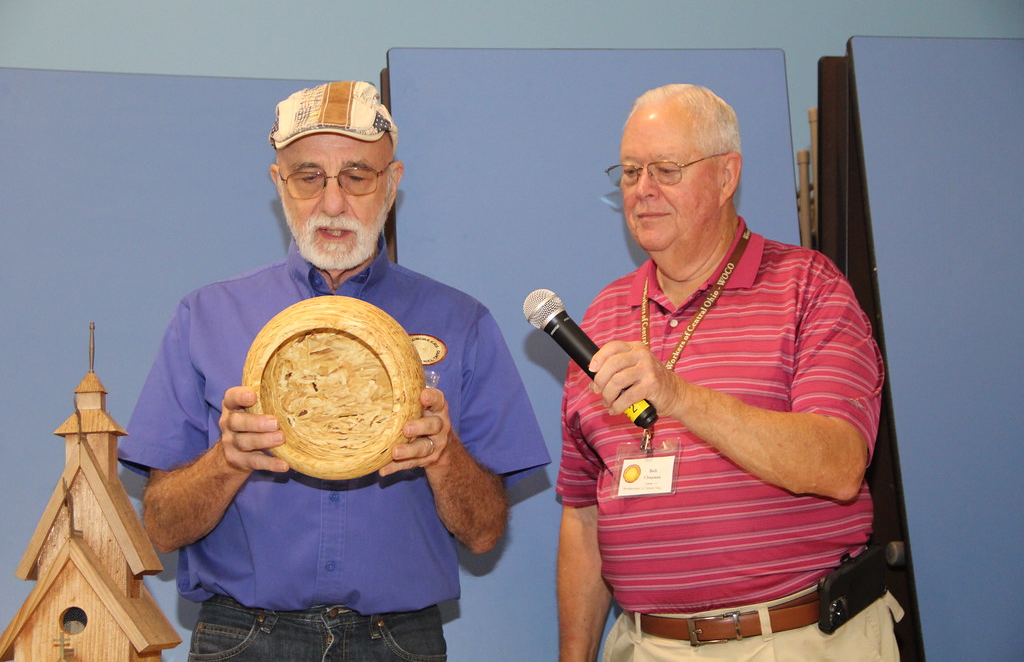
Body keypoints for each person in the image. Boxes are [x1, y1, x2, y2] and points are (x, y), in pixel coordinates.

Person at [119, 81, 550, 661]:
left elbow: (483, 533)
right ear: (279, 185)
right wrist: (227, 460)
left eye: (357, 176)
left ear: (391, 183)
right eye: (308, 176)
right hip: (243, 638)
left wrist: (443, 456)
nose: (332, 202)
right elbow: (161, 528)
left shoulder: (462, 321)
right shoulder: (206, 316)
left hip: (398, 641)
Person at [556, 84, 903, 661]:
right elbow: (584, 511)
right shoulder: (604, 315)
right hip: (646, 644)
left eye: (666, 169)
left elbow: (840, 465)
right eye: (631, 171)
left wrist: (676, 394)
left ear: (725, 176)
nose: (644, 191)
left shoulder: (809, 289)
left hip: (792, 639)